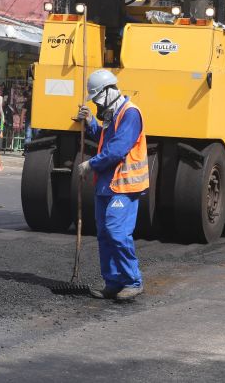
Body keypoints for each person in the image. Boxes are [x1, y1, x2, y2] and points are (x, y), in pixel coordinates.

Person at [74, 69, 149, 301]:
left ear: (108, 92)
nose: (96, 104)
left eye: (96, 98)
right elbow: (106, 141)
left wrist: (90, 164)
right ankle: (113, 281)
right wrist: (91, 123)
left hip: (124, 186)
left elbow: (117, 150)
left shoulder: (130, 114)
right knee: (105, 234)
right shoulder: (112, 114)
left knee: (117, 233)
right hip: (107, 184)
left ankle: (132, 281)